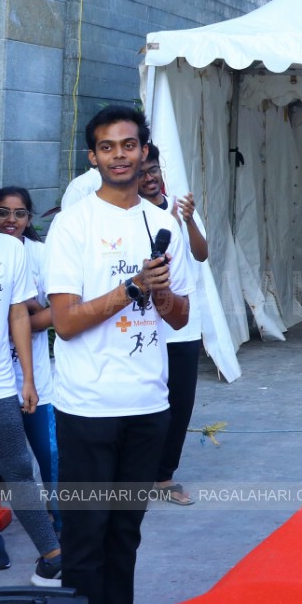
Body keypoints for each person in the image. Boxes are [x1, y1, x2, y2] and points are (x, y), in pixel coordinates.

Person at [45, 105, 191, 604]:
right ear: (94, 157)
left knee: (125, 533)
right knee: (86, 538)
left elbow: (179, 316)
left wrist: (161, 292)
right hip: (87, 408)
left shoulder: (161, 223)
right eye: (108, 147)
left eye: (129, 145)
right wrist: (130, 288)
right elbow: (64, 323)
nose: (120, 155)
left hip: (148, 407)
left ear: (144, 151)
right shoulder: (72, 225)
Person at [0, 168, 63, 586]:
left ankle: (53, 556)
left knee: (19, 468)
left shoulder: (9, 250)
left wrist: (26, 377)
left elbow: (17, 314)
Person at [137, 148, 207, 507]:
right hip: (141, 323)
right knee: (144, 400)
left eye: (154, 171)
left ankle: (164, 476)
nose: (149, 178)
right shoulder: (127, 215)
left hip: (181, 323)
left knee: (179, 402)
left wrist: (190, 220)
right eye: (142, 172)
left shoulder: (178, 207)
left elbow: (202, 253)